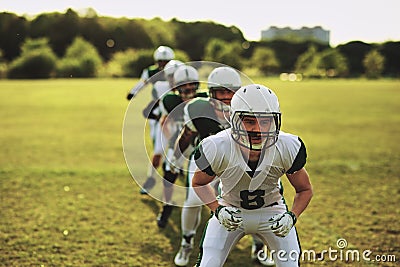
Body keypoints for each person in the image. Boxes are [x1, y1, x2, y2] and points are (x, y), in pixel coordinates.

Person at [192, 84, 313, 267]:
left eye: (265, 121)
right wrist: (218, 209)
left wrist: (292, 216)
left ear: (275, 121)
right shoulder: (217, 147)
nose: (258, 129)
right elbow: (198, 183)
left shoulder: (288, 146)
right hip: (230, 210)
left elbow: (304, 189)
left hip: (272, 212)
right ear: (234, 120)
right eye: (249, 121)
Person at [172, 67, 275, 266]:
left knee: (257, 200)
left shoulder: (250, 108)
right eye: (221, 92)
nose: (226, 97)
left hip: (239, 160)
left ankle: (259, 248)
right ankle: (186, 242)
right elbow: (186, 136)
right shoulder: (198, 108)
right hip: (206, 159)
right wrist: (175, 159)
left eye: (230, 91)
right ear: (211, 94)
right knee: (193, 199)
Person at [156, 64, 208, 228]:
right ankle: (167, 207)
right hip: (179, 142)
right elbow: (165, 121)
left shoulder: (204, 99)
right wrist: (170, 141)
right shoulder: (169, 100)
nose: (188, 88)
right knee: (169, 176)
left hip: (200, 144)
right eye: (183, 86)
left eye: (191, 84)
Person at [125, 45, 174, 195]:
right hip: (159, 112)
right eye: (161, 62)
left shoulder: (176, 72)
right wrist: (133, 92)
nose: (163, 65)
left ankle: (170, 169)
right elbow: (143, 82)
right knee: (158, 149)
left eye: (166, 62)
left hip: (176, 116)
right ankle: (151, 178)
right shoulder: (153, 75)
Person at [139, 59, 184, 195]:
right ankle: (151, 178)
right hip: (164, 125)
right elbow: (151, 109)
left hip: (182, 126)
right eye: (170, 76)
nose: (172, 80)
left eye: (175, 76)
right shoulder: (161, 88)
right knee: (158, 152)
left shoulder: (187, 89)